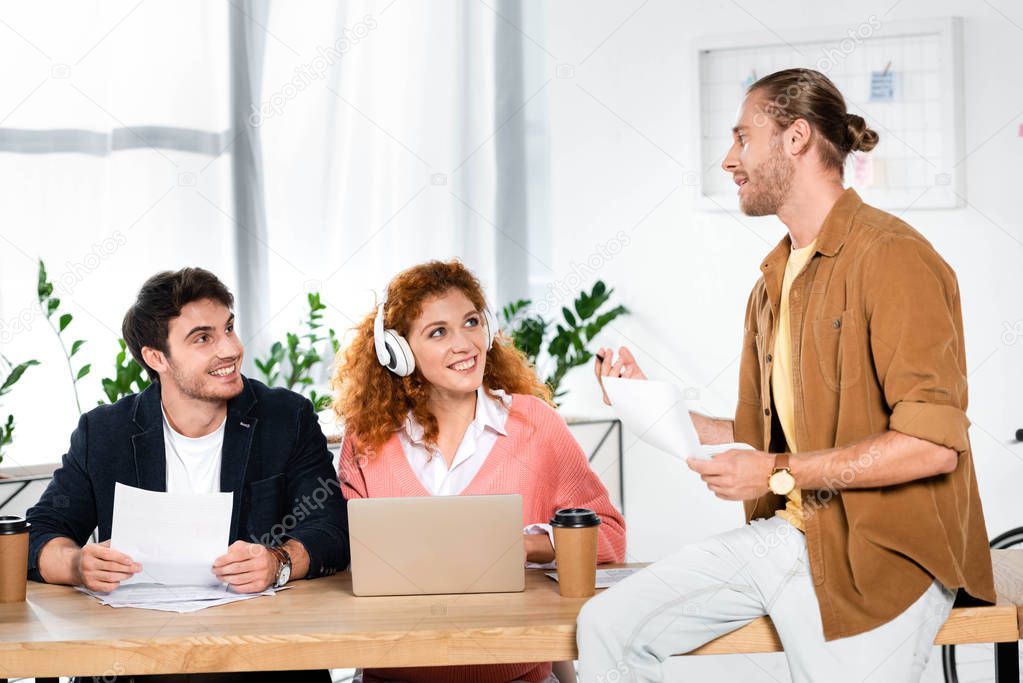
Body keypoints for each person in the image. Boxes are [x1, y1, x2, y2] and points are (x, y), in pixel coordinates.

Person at [578, 68, 994, 682]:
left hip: (880, 558)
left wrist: (777, 473)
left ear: (796, 137)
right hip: (789, 535)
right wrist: (646, 402)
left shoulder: (893, 257)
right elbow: (763, 438)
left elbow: (932, 448)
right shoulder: (773, 281)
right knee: (607, 628)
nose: (728, 159)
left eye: (742, 137)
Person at [28, 267, 348, 683]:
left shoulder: (287, 417)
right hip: (137, 658)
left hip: (259, 657)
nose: (231, 348)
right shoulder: (105, 432)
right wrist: (74, 565)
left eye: (229, 328)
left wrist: (279, 562)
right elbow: (39, 531)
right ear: (156, 357)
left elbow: (332, 529)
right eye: (203, 338)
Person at [333, 259, 626, 683]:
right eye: (438, 332)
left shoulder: (535, 424)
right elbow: (344, 554)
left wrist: (530, 546)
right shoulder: (368, 437)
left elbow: (611, 536)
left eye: (471, 322)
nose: (465, 343)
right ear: (397, 353)